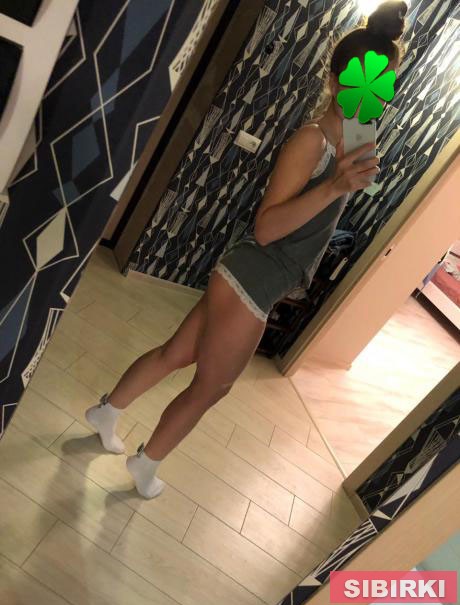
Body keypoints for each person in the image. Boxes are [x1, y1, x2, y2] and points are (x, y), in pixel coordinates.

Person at [86, 1, 408, 499]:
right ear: (337, 81)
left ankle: (105, 412)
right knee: (212, 387)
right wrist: (333, 186)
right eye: (364, 82)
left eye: (384, 86)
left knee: (176, 353)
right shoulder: (311, 141)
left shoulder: (353, 141)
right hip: (254, 275)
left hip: (251, 276)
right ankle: (145, 465)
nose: (375, 97)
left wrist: (350, 170)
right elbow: (267, 227)